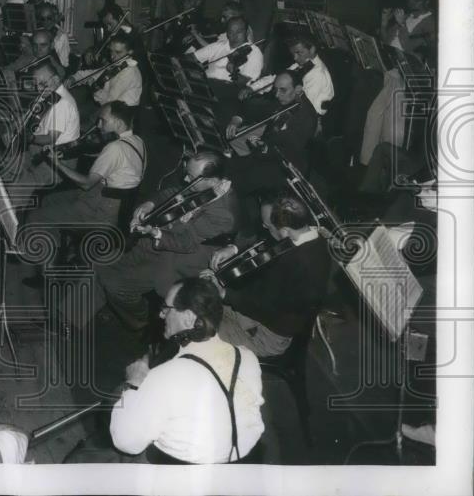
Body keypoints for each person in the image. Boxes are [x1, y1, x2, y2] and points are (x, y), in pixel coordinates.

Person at [66, 278, 264, 464]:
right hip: (234, 465)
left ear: (188, 318)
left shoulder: (167, 375)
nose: (161, 314)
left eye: (167, 309)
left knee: (117, 404)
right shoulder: (247, 357)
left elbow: (127, 443)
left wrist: (133, 383)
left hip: (176, 472)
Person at [94, 150, 240, 330]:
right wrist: (150, 204)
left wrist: (155, 232)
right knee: (103, 262)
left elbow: (187, 242)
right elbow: (172, 193)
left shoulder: (223, 213)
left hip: (176, 259)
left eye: (191, 176)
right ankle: (74, 315)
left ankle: (142, 320)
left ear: (211, 180)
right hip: (163, 240)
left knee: (117, 285)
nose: (186, 180)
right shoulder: (204, 185)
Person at [22, 101, 145, 285]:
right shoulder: (137, 141)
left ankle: (47, 276)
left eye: (103, 121)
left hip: (101, 209)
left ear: (118, 124)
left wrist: (57, 164)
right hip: (111, 201)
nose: (98, 125)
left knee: (36, 216)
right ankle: (56, 257)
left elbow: (87, 184)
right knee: (48, 201)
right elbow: (113, 164)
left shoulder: (114, 148)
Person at [201, 194, 332, 357]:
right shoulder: (311, 236)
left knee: (199, 333)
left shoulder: (297, 262)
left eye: (269, 227)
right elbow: (262, 239)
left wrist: (224, 293)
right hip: (258, 314)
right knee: (199, 302)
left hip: (268, 334)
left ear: (285, 230)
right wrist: (233, 250)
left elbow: (265, 306)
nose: (265, 229)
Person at [3, 58, 81, 210]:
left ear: (56, 79)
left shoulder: (63, 104)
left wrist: (28, 137)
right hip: (40, 151)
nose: (39, 89)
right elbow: (30, 116)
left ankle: (12, 224)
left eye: (43, 84)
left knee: (19, 186)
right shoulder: (49, 94)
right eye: (36, 84)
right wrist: (12, 125)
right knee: (4, 168)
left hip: (58, 159)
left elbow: (50, 138)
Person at [226, 69, 318, 186]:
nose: (277, 95)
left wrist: (263, 147)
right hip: (266, 146)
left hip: (284, 166)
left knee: (236, 178)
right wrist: (237, 119)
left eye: (282, 90)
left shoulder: (306, 117)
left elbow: (289, 151)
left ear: (298, 89)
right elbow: (255, 107)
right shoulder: (286, 98)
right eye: (276, 89)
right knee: (229, 156)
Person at [243, 31, 334, 116]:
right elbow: (276, 79)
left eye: (299, 53)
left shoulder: (317, 74)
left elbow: (305, 108)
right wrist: (252, 88)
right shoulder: (302, 64)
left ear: (312, 49)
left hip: (301, 118)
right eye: (293, 54)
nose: (295, 58)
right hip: (287, 108)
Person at [69, 32, 142, 108]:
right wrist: (74, 78)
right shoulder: (117, 64)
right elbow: (94, 73)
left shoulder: (129, 72)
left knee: (76, 110)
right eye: (111, 51)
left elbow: (110, 100)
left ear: (130, 52)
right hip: (106, 104)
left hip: (121, 112)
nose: (113, 56)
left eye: (118, 52)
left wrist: (94, 88)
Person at [192, 17, 263, 87]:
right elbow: (192, 57)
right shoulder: (218, 46)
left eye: (239, 32)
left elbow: (246, 84)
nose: (234, 36)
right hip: (205, 85)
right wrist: (195, 69)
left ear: (247, 32)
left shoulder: (254, 52)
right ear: (227, 33)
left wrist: (233, 72)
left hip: (227, 91)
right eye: (231, 32)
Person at [35, 2, 70, 70]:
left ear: (55, 17)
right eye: (43, 19)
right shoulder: (38, 32)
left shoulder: (62, 36)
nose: (46, 22)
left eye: (49, 18)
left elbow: (64, 63)